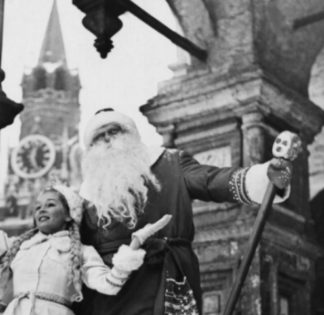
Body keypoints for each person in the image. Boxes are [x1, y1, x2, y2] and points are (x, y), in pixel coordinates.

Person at [75, 108, 294, 315]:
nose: (107, 139)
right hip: (108, 296)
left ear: (131, 135)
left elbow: (212, 181)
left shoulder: (169, 163)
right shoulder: (82, 197)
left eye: (114, 131)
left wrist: (266, 176)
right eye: (98, 136)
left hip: (164, 279)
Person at [0, 161, 146, 315]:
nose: (41, 210)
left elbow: (108, 285)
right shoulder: (19, 246)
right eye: (37, 207)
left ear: (68, 214)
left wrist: (130, 253)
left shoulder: (82, 252)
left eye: (50, 205)